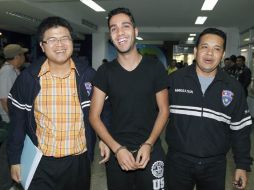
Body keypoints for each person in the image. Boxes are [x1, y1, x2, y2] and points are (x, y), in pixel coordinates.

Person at [7, 16, 108, 190]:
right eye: (52, 40)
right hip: (41, 162)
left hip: (79, 162)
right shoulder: (28, 79)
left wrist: (105, 139)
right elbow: (17, 124)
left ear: (71, 41)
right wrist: (15, 159)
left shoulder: (88, 76)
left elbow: (105, 111)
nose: (59, 45)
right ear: (42, 46)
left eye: (64, 38)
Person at [89, 7, 169, 190]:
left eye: (125, 26)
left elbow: (164, 110)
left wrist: (149, 144)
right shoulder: (105, 72)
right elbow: (94, 116)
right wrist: (117, 149)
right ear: (111, 35)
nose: (120, 32)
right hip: (119, 152)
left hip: (151, 149)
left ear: (135, 31)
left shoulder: (154, 67)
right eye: (114, 28)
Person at [165, 28, 252, 190]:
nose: (210, 53)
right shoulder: (174, 81)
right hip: (177, 163)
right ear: (196, 50)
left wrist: (242, 165)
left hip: (215, 166)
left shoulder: (233, 88)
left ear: (223, 54)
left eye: (216, 49)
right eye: (205, 47)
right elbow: (153, 115)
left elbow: (240, 129)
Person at [0, 44, 28, 190]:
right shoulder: (6, 72)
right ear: (17, 57)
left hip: (15, 120)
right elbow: (4, 99)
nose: (24, 57)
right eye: (22, 55)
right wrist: (15, 121)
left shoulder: (14, 71)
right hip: (9, 120)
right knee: (7, 155)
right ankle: (6, 184)